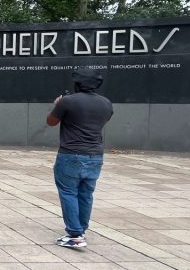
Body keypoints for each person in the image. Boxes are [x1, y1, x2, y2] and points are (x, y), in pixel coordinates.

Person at [46, 67, 113, 248]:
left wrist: (58, 104)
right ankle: (81, 229)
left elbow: (51, 122)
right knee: (86, 194)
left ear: (77, 83)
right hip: (96, 155)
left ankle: (75, 234)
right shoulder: (106, 103)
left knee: (68, 192)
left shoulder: (67, 101)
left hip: (71, 154)